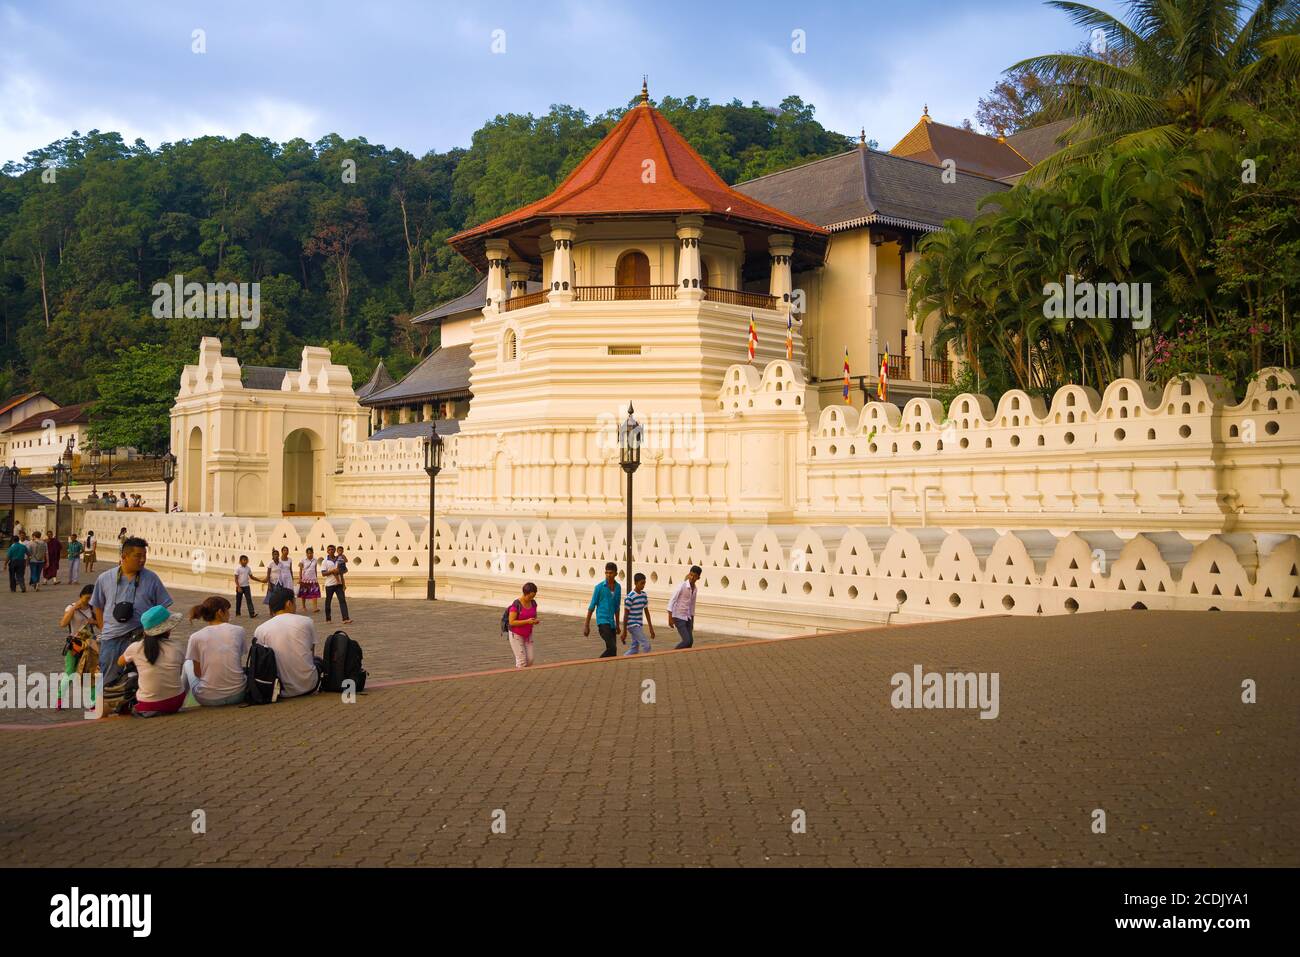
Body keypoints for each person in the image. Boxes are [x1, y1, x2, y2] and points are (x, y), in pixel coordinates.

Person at [90, 536, 174, 686]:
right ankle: (106, 707)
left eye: (144, 556)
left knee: (141, 680)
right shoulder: (104, 578)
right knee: (108, 680)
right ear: (124, 556)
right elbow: (97, 605)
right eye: (138, 556)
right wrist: (104, 629)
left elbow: (163, 607)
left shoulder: (151, 578)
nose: (142, 560)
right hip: (112, 640)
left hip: (142, 638)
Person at [118, 604, 187, 717]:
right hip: (176, 702)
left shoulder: (135, 647)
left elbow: (120, 662)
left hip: (148, 705)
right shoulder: (177, 646)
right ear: (168, 629)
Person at [253, 587, 322, 698]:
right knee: (318, 661)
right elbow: (310, 652)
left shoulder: (261, 629)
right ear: (289, 603)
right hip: (309, 684)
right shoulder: (306, 622)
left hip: (279, 687)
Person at [184, 596, 248, 707]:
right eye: (227, 611)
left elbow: (197, 673)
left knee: (187, 663)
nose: (229, 614)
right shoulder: (239, 630)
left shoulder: (196, 637)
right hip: (238, 694)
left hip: (208, 698)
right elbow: (238, 657)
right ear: (220, 612)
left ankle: (181, 702)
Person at [583, 562, 622, 659]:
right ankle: (596, 662)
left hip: (611, 622)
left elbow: (617, 607)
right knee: (612, 647)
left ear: (616, 574)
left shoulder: (618, 587)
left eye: (611, 573)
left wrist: (617, 624)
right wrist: (586, 626)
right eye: (607, 573)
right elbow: (592, 607)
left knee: (613, 652)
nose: (608, 575)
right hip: (602, 621)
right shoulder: (599, 587)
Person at [667, 565, 702, 650]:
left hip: (688, 617)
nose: (692, 577)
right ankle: (673, 653)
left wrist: (692, 621)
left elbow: (692, 605)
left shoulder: (695, 589)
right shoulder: (682, 586)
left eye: (695, 576)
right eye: (691, 575)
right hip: (678, 616)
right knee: (686, 641)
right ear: (689, 574)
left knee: (690, 642)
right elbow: (672, 600)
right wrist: (670, 618)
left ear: (698, 578)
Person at [506, 583, 540, 668]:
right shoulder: (516, 605)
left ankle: (525, 674)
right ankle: (520, 675)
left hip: (528, 634)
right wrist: (527, 621)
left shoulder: (533, 603)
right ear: (525, 594)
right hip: (516, 634)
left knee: (530, 659)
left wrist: (534, 621)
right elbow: (511, 622)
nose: (531, 599)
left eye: (533, 596)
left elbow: (534, 615)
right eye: (530, 597)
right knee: (521, 660)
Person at [621, 572, 655, 655]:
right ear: (635, 583)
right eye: (641, 583)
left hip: (639, 624)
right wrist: (624, 631)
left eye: (644, 583)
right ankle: (646, 660)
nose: (643, 585)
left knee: (634, 649)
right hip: (632, 625)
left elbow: (646, 612)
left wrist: (651, 627)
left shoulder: (644, 595)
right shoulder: (630, 597)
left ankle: (623, 658)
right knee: (646, 645)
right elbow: (626, 615)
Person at [320, 547, 351, 624]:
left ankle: (345, 618)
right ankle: (328, 619)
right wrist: (332, 571)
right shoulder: (325, 561)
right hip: (329, 584)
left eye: (332, 549)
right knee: (328, 601)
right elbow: (323, 573)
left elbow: (344, 570)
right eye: (329, 550)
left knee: (342, 600)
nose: (331, 551)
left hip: (339, 584)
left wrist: (343, 584)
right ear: (327, 551)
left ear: (335, 550)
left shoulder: (339, 559)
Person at [297, 547, 321, 614]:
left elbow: (315, 569)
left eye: (311, 553)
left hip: (313, 579)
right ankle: (303, 606)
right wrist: (300, 578)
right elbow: (300, 570)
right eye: (308, 553)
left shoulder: (315, 560)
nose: (310, 554)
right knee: (303, 593)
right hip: (305, 579)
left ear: (313, 553)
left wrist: (316, 578)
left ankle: (315, 607)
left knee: (315, 593)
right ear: (306, 554)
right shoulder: (302, 560)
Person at [233, 554, 258, 619]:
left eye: (246, 560)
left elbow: (251, 577)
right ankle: (238, 613)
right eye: (244, 560)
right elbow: (236, 578)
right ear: (240, 561)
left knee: (249, 600)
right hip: (240, 586)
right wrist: (238, 587)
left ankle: (252, 613)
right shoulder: (238, 569)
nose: (245, 561)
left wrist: (260, 580)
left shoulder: (248, 568)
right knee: (239, 600)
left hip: (246, 586)